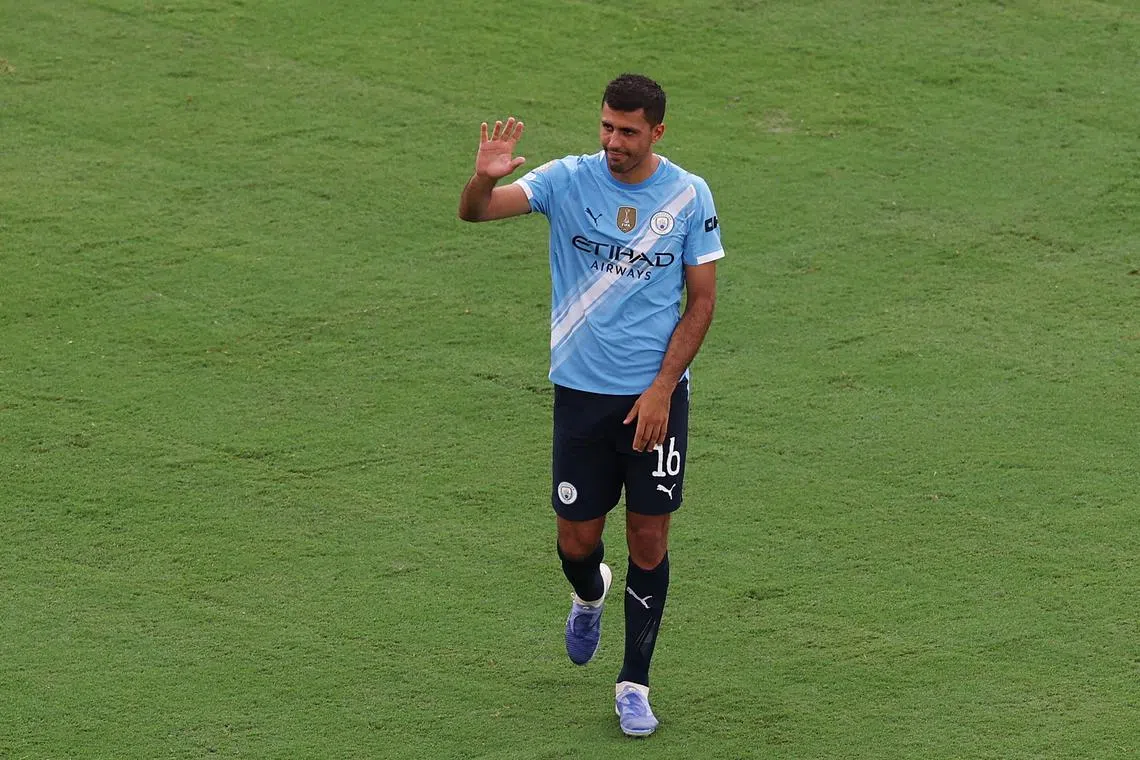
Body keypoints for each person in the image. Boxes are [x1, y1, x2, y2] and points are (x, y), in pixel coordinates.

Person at [457, 73, 723, 737]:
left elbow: (703, 301)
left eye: (628, 131)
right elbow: (476, 213)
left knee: (649, 537)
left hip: (654, 402)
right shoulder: (567, 179)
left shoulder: (689, 197)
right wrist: (483, 179)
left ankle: (634, 682)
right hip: (580, 395)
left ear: (657, 131)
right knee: (576, 541)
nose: (612, 141)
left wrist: (663, 388)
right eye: (607, 126)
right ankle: (588, 593)